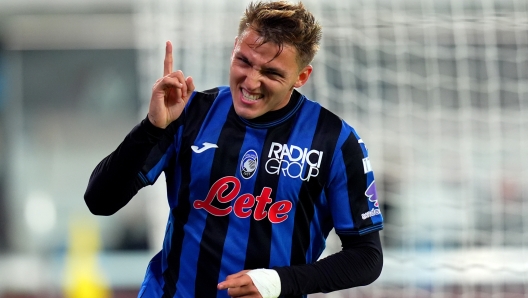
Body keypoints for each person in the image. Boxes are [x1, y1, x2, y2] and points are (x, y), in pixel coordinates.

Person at [84, 1, 384, 297]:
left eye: (271, 73)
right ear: (233, 49)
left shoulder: (335, 140)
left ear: (301, 77)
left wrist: (279, 282)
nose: (251, 81)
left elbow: (366, 257)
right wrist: (151, 128)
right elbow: (100, 201)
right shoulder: (189, 113)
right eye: (244, 61)